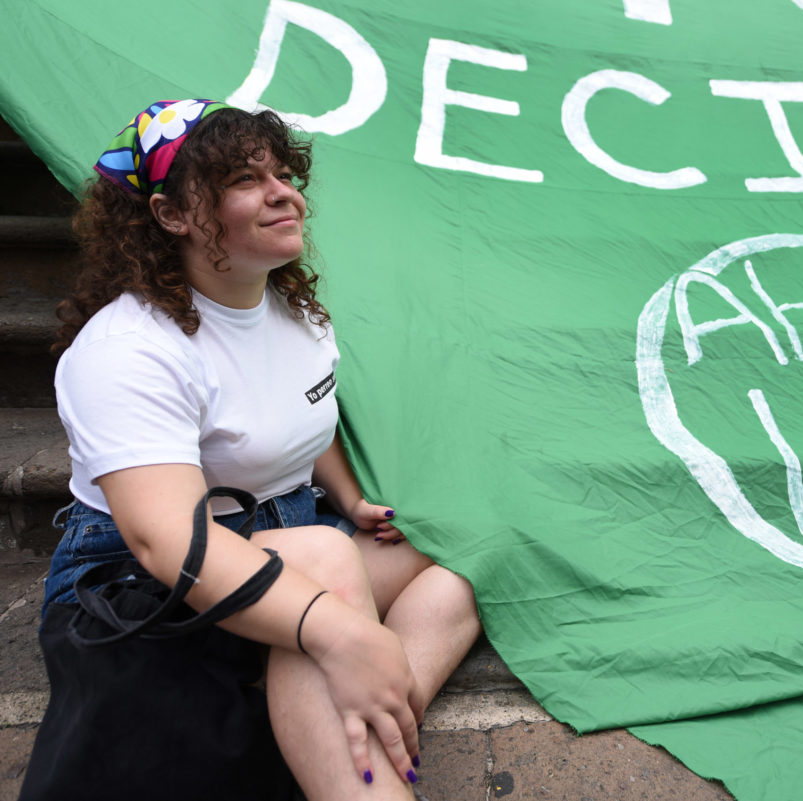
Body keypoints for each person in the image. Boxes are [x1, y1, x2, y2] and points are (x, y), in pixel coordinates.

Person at [39, 98, 480, 799]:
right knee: (326, 572)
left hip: (286, 530)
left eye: (284, 173)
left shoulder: (295, 311)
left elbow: (311, 413)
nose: (286, 193)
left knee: (453, 570)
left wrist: (349, 498)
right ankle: (356, 765)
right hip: (137, 583)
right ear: (171, 215)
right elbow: (167, 542)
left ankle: (370, 712)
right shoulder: (128, 349)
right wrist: (334, 628)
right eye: (245, 180)